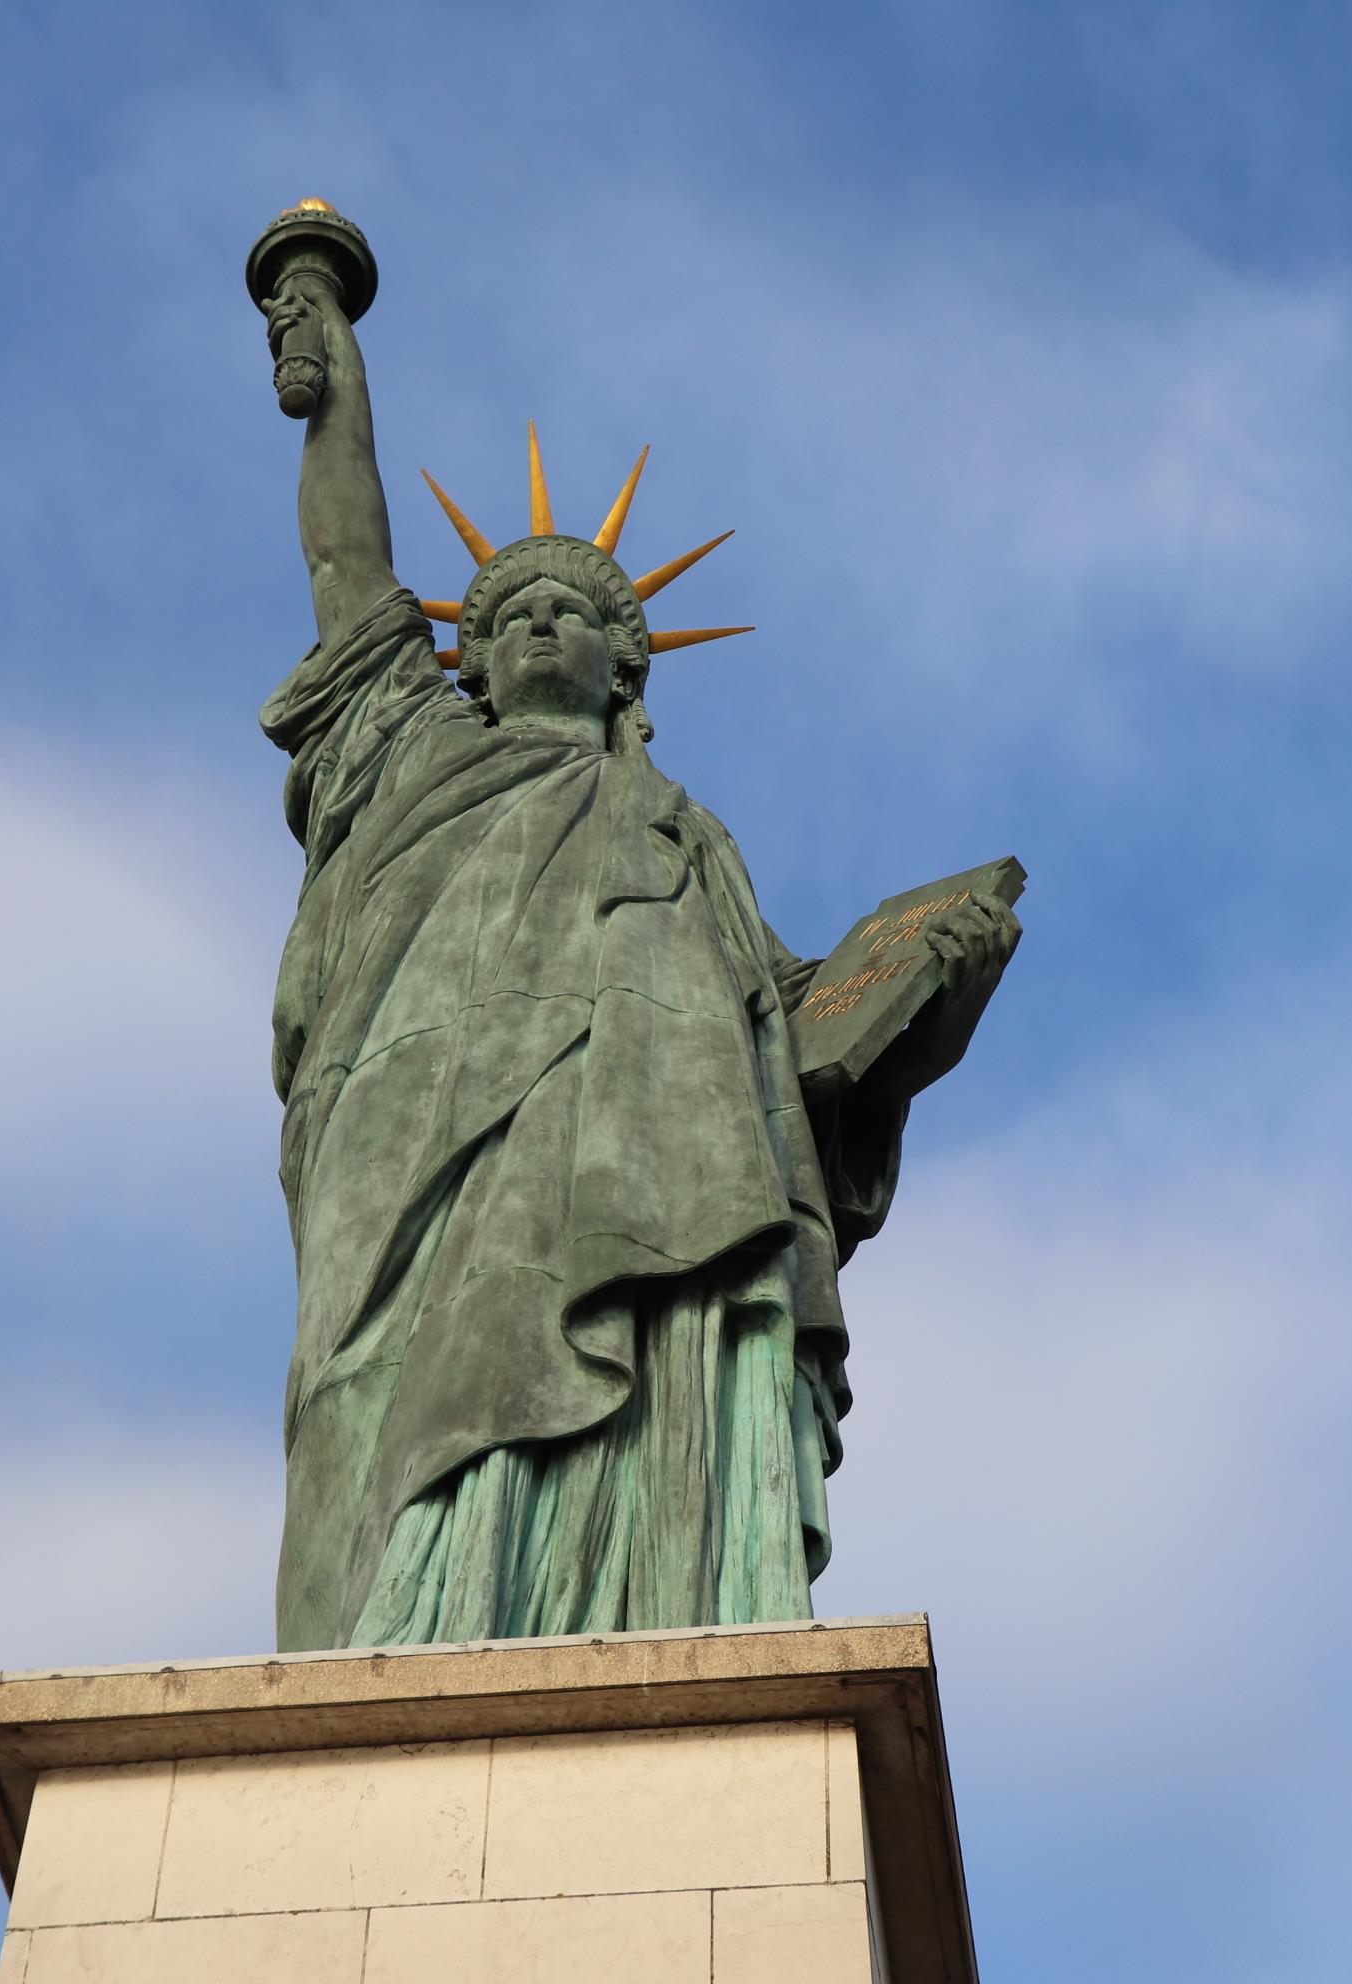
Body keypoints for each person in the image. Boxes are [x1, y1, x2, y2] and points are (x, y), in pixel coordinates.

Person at [259, 264, 1014, 1652]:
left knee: (644, 1351)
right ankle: (419, 1626)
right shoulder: (408, 750)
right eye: (504, 617)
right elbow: (347, 570)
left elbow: (796, 1058)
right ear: (467, 663)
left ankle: (629, 1612)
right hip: (424, 1148)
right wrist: (332, 356)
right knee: (403, 1394)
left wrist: (931, 991)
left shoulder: (682, 834)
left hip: (648, 1174)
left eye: (578, 615)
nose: (542, 624)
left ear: (627, 666)